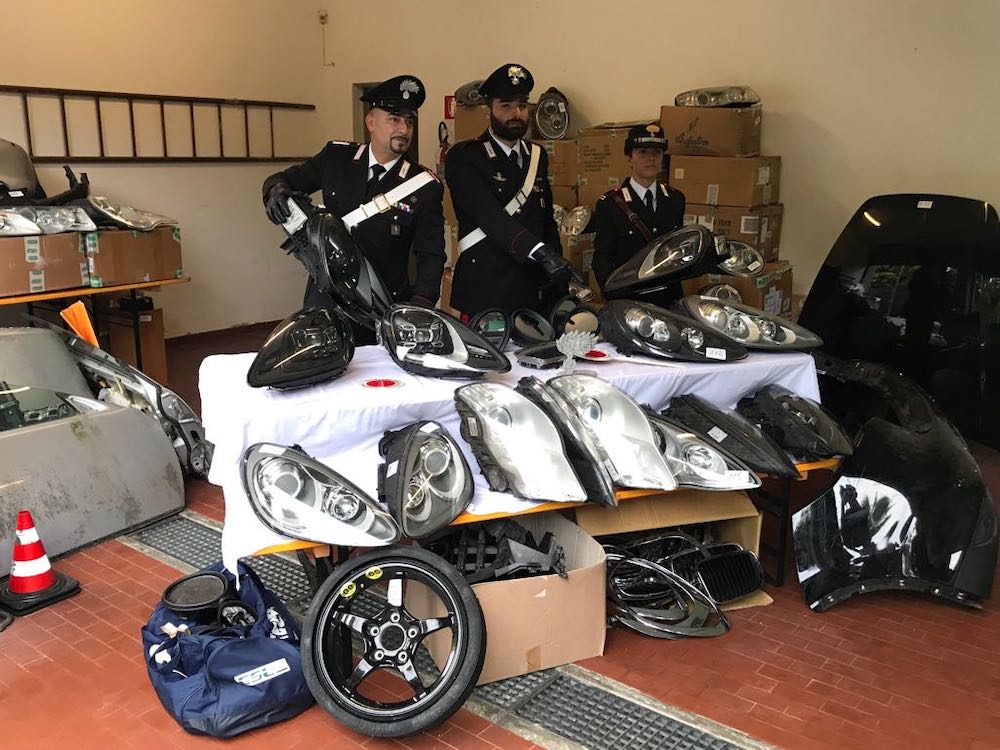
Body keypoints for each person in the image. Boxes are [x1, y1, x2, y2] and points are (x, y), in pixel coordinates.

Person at [261, 75, 445, 343]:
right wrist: (275, 190)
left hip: (379, 308)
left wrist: (420, 306)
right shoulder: (337, 158)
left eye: (409, 121)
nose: (404, 129)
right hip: (326, 300)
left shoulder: (424, 185)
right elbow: (285, 179)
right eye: (394, 119)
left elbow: (431, 254)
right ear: (371, 122)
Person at [446, 63, 583, 318]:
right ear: (488, 111)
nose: (516, 113)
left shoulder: (537, 155)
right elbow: (490, 216)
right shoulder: (465, 156)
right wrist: (540, 253)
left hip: (532, 289)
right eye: (506, 106)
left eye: (521, 105)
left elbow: (545, 222)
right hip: (486, 288)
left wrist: (559, 275)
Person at [590, 122, 686, 305]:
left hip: (668, 298)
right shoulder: (610, 204)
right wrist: (613, 295)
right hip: (630, 300)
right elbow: (602, 258)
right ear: (629, 158)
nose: (651, 158)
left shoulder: (675, 199)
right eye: (643, 152)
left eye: (657, 152)